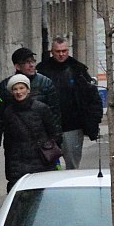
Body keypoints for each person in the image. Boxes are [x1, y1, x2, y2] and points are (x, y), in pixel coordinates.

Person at [35, 36, 102, 170]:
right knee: (47, 165)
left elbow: (91, 97)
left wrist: (93, 121)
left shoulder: (78, 70)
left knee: (72, 165)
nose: (61, 54)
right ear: (51, 51)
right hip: (48, 127)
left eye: (64, 51)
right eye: (58, 51)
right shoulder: (42, 70)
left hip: (72, 126)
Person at [0, 74, 62, 191]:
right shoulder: (8, 112)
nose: (19, 92)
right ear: (11, 92)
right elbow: (8, 142)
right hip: (18, 163)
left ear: (28, 90)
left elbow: (55, 133)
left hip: (42, 161)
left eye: (22, 88)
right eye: (15, 89)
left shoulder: (42, 108)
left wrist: (47, 147)